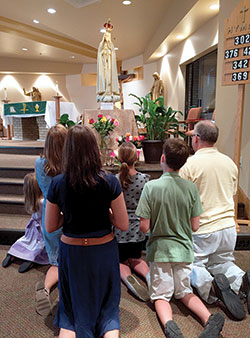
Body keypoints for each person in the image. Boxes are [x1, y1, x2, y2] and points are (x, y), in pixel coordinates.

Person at [45, 125, 129, 338]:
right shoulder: (109, 181)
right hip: (102, 251)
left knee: (71, 316)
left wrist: (68, 215)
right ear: (94, 149)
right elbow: (123, 224)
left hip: (72, 253)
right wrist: (106, 213)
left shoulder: (58, 183)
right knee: (108, 313)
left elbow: (50, 226)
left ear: (68, 151)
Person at [136, 138, 225, 338]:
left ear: (162, 158)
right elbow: (195, 225)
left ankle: (171, 327)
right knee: (184, 292)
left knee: (161, 296)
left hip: (160, 252)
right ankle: (208, 319)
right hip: (185, 250)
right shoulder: (191, 188)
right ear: (184, 162)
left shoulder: (151, 187)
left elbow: (144, 227)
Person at [179, 120, 250, 319]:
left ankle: (212, 290)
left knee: (193, 265)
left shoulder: (189, 164)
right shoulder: (229, 163)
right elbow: (233, 195)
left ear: (196, 139)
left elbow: (182, 200)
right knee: (222, 262)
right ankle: (241, 281)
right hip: (228, 226)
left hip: (203, 228)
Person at [35, 124, 68, 317]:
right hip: (68, 213)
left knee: (56, 262)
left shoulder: (40, 163)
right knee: (71, 260)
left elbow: (43, 188)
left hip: (50, 214)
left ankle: (45, 288)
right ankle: (64, 296)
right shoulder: (71, 163)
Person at [114, 142, 150, 302]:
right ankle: (149, 277)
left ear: (118, 158)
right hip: (138, 232)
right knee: (136, 259)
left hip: (119, 231)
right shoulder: (144, 179)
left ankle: (127, 278)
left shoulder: (114, 180)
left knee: (120, 261)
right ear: (136, 158)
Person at [2, 173, 49, 273]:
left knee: (25, 240)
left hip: (32, 228)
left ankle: (13, 253)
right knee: (40, 245)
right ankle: (32, 259)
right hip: (41, 228)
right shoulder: (43, 201)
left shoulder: (30, 200)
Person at [96, 19, 120, 103]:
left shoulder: (111, 49)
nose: (107, 38)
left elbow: (112, 56)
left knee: (109, 80)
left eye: (108, 37)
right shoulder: (101, 48)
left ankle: (109, 92)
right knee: (104, 79)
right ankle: (104, 92)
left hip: (109, 68)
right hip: (104, 68)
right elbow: (99, 53)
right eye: (106, 36)